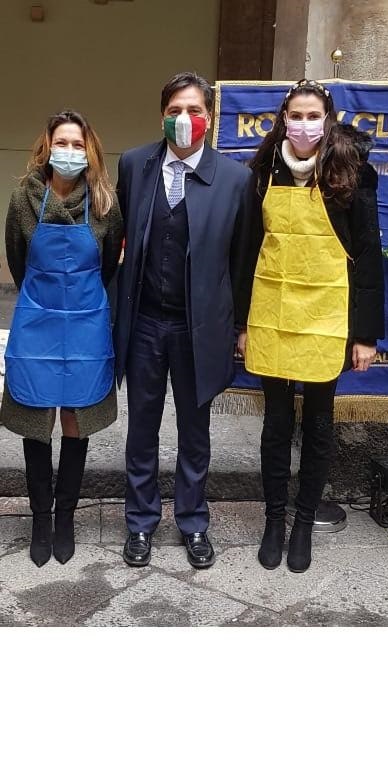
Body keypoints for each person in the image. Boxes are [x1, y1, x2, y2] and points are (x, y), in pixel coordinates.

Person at [235, 80, 385, 573]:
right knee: (276, 424)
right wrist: (242, 323)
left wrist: (364, 335)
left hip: (326, 315)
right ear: (283, 119)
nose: (303, 125)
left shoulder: (354, 171)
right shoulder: (263, 169)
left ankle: (303, 524)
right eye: (295, 116)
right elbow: (246, 252)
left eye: (312, 115)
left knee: (319, 424)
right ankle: (273, 521)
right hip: (271, 313)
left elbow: (367, 256)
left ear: (328, 118)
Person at [114, 72, 252, 570]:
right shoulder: (135, 165)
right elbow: (121, 238)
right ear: (162, 115)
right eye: (174, 110)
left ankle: (193, 522)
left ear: (209, 118)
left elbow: (242, 260)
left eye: (194, 110)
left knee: (195, 432)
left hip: (201, 329)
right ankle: (140, 523)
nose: (184, 119)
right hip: (147, 322)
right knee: (141, 428)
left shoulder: (236, 179)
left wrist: (240, 325)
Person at [3, 111, 122, 566]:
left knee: (76, 416)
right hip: (39, 321)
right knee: (38, 415)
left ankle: (66, 516)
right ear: (47, 147)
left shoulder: (106, 202)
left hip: (88, 323)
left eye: (77, 144)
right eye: (62, 142)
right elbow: (17, 259)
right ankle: (39, 517)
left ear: (88, 151)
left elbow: (108, 264)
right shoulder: (23, 198)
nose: (69, 152)